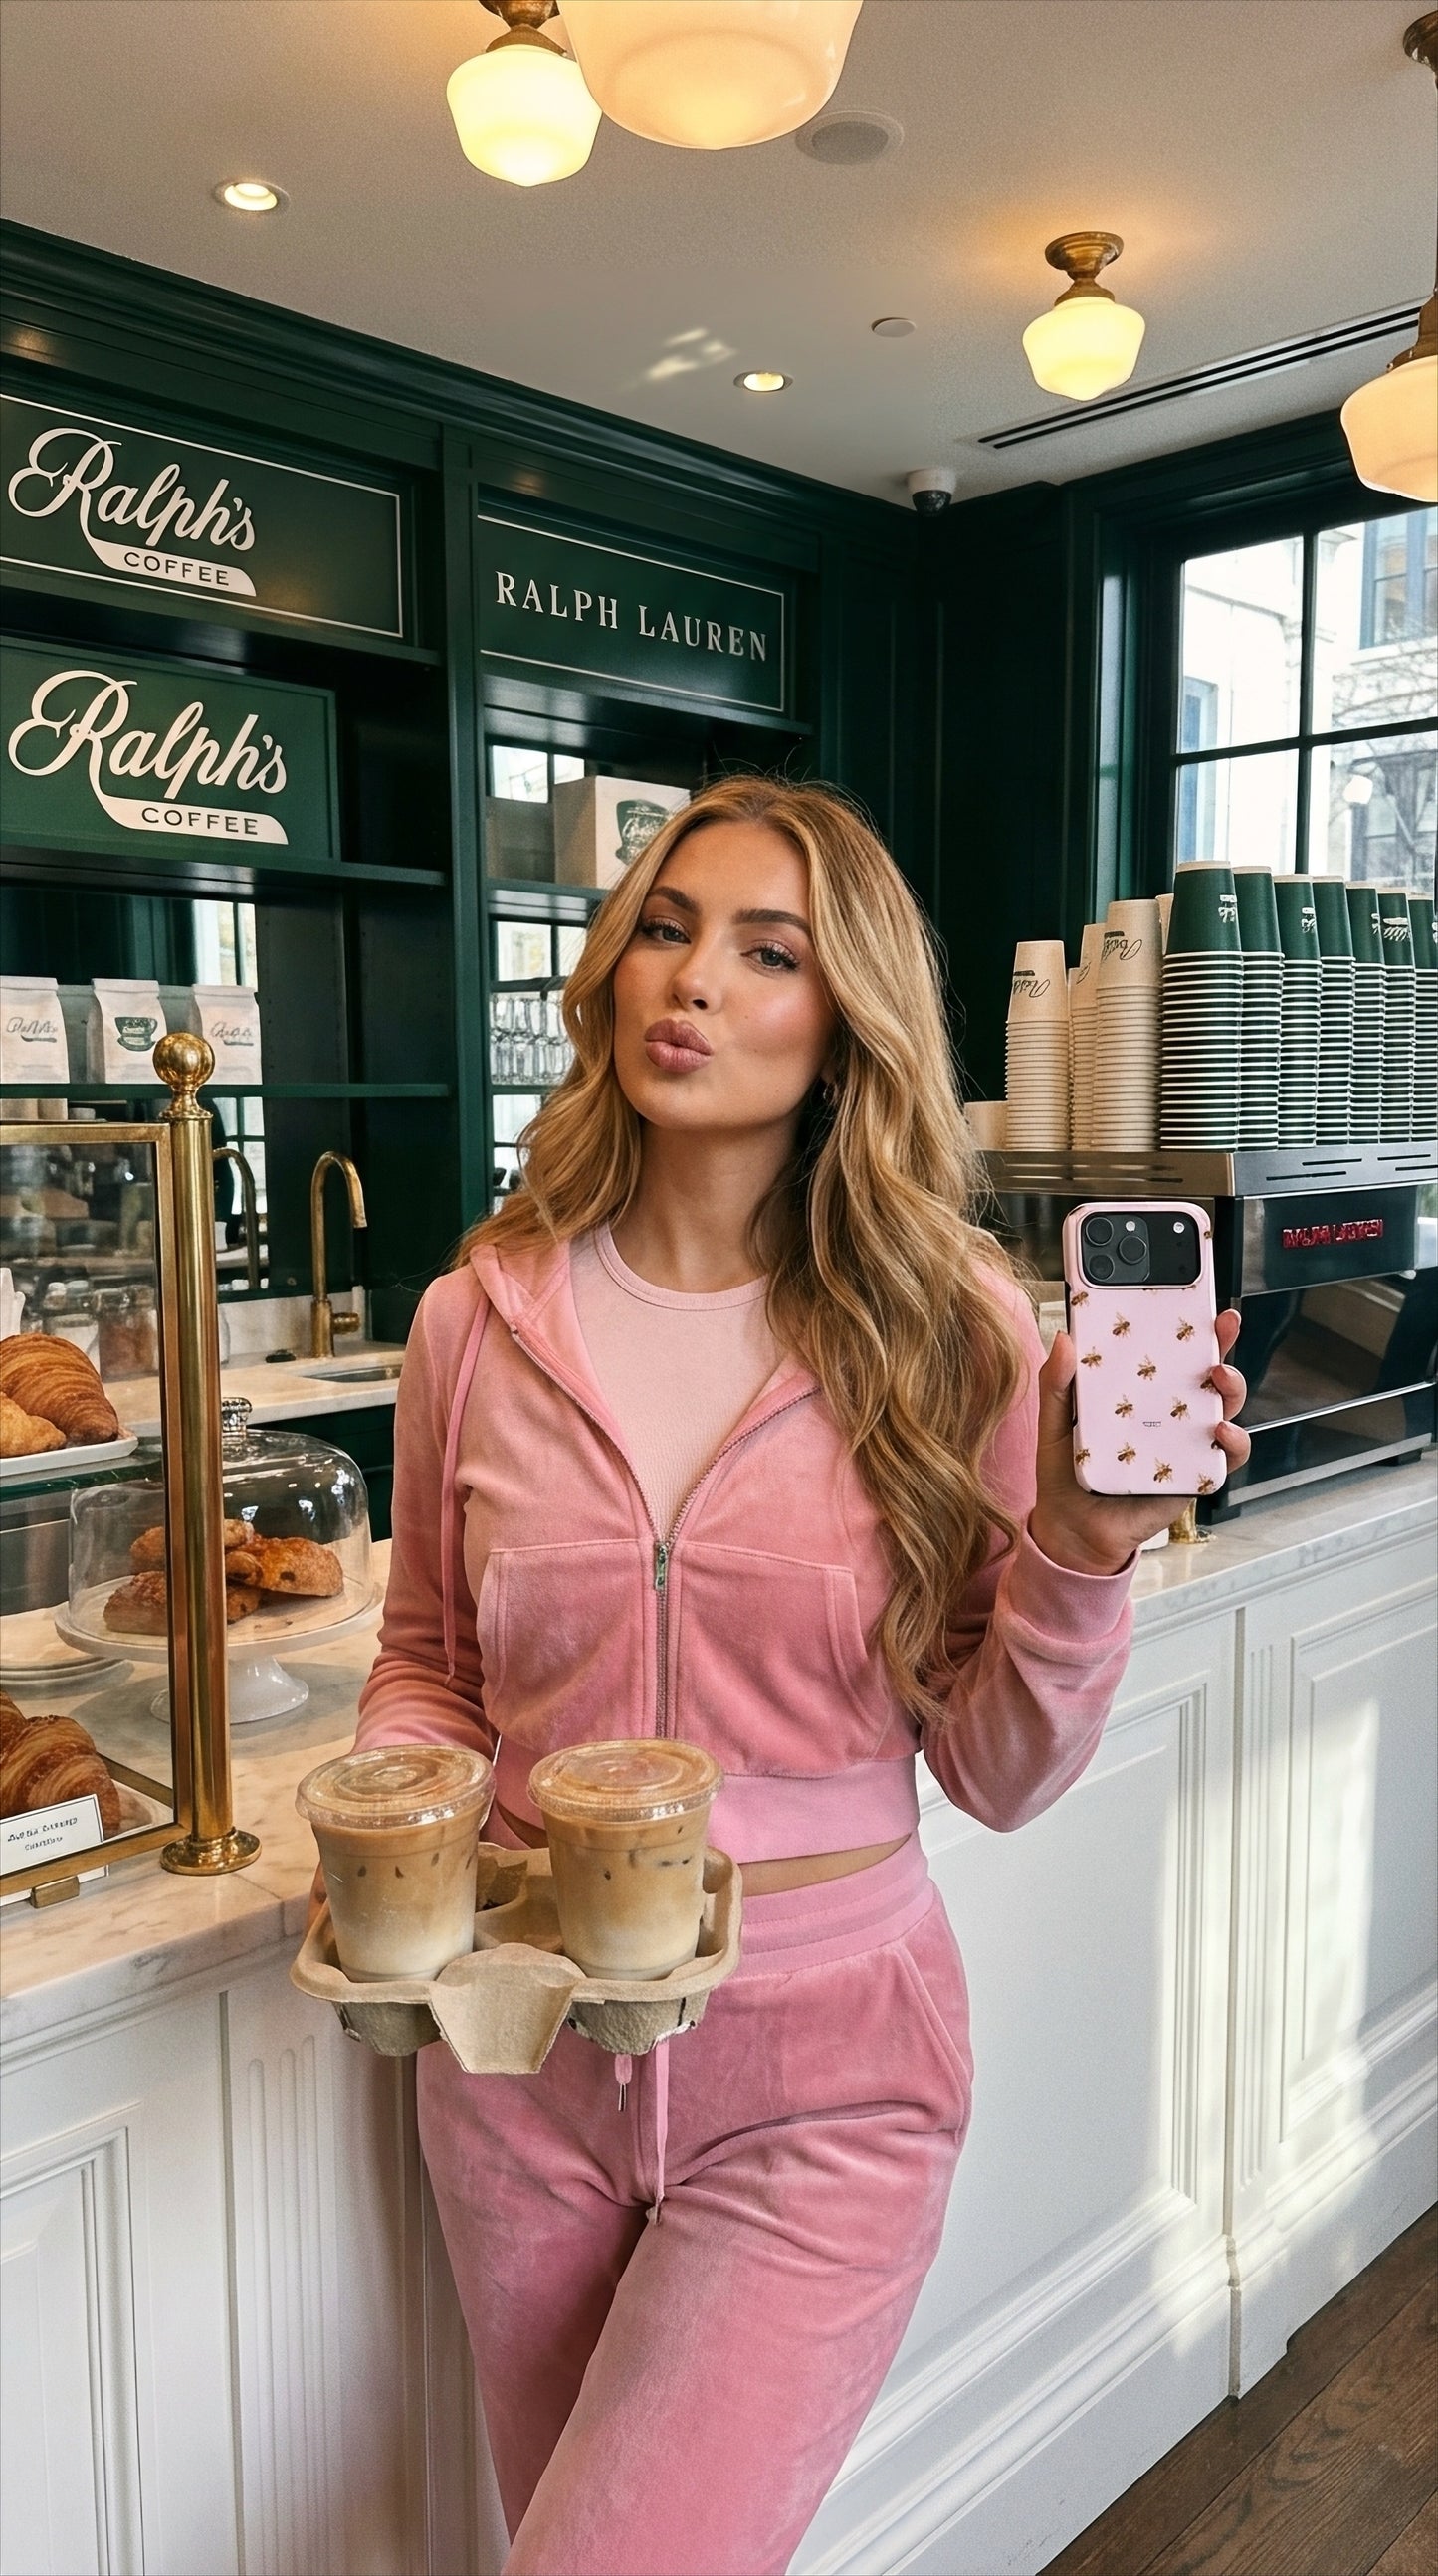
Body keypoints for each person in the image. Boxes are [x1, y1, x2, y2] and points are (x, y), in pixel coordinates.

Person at [317, 777, 1249, 2576]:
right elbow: (428, 1663)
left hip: (830, 2070)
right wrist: (389, 1833)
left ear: (845, 1020)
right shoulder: (473, 1317)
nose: (693, 982)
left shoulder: (955, 1322)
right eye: (665, 927)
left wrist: (1080, 1539)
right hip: (517, 2058)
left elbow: (997, 1767)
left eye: (767, 951)